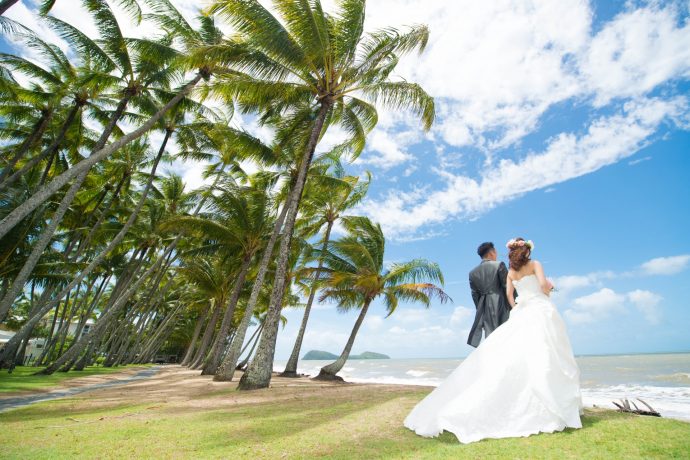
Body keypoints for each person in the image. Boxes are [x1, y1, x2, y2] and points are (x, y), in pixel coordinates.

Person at [404, 238, 582, 444]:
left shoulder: (473, 273)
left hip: (485, 310)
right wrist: (529, 299)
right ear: (492, 253)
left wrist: (489, 308)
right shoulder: (504, 266)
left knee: (498, 350)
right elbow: (514, 291)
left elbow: (478, 294)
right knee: (525, 350)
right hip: (511, 308)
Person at [467, 242, 511, 347]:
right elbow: (507, 287)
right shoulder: (499, 265)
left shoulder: (472, 273)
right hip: (501, 304)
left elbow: (475, 296)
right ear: (492, 253)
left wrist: (480, 314)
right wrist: (516, 305)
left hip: (484, 308)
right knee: (506, 336)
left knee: (491, 338)